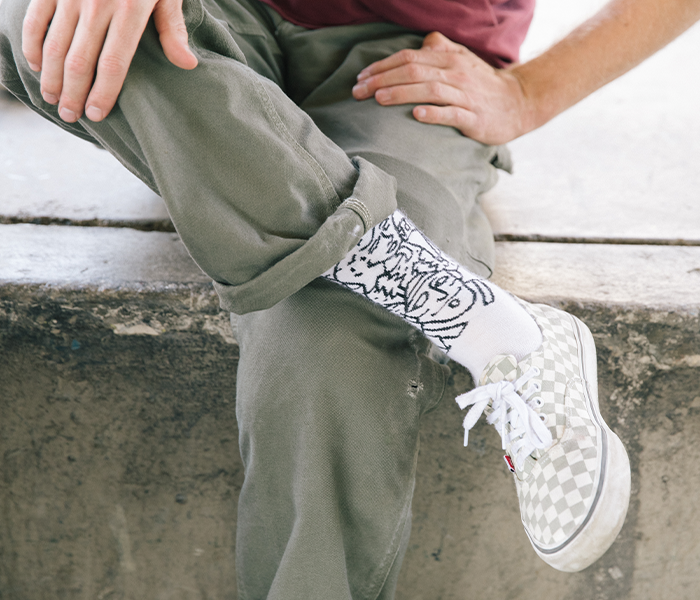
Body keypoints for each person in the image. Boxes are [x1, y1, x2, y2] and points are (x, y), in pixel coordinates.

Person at [1, 0, 698, 597]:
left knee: (327, 341)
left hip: (406, 65)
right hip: (205, 34)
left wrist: (529, 92)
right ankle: (464, 312)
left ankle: (423, 291)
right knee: (35, 12)